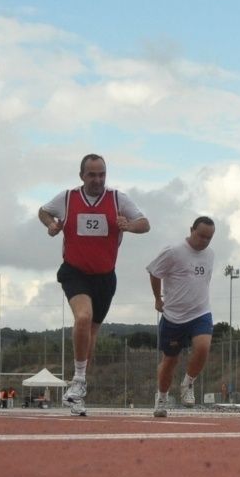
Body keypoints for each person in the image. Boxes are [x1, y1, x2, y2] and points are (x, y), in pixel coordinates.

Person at [37, 154, 149, 416]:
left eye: (102, 175)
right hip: (75, 272)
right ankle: (77, 380)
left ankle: (78, 388)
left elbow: (145, 224)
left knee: (92, 334)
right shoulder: (68, 198)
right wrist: (51, 224)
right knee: (83, 318)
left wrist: (129, 226)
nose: (98, 180)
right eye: (92, 175)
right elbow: (43, 211)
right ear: (82, 176)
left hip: (105, 277)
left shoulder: (117, 199)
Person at [146, 216, 217, 416]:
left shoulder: (210, 254)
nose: (204, 241)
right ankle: (162, 397)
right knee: (170, 361)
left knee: (203, 347)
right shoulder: (173, 251)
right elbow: (154, 272)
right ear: (191, 230)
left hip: (200, 312)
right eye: (201, 235)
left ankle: (188, 383)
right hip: (174, 316)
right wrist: (157, 299)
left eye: (209, 238)